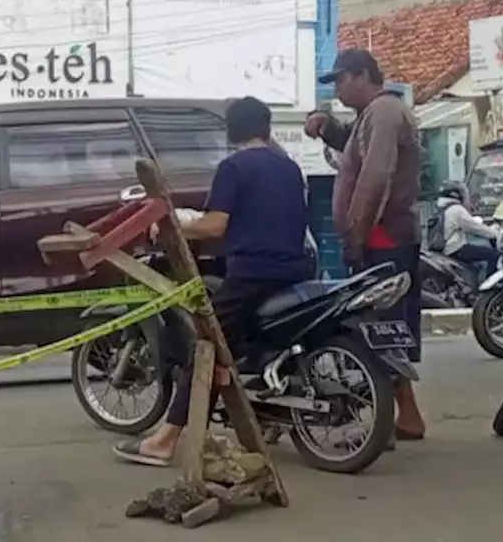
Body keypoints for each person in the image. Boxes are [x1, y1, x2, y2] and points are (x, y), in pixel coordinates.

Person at [112, 96, 312, 466]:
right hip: (297, 271)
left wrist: (179, 225)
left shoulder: (233, 168)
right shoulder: (289, 168)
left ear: (231, 131)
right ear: (266, 128)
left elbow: (216, 224)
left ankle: (164, 440)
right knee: (235, 347)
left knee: (206, 347)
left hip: (253, 276)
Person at [304, 49, 426, 441]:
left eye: (340, 80)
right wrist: (330, 128)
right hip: (382, 235)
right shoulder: (371, 117)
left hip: (382, 236)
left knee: (382, 328)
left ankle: (393, 420)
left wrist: (356, 234)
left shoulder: (386, 112)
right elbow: (358, 152)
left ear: (361, 76)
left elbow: (376, 177)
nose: (337, 90)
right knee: (382, 328)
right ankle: (403, 414)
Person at [438, 182, 499, 280]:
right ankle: (490, 288)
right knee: (494, 254)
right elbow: (476, 228)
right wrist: (498, 234)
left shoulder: (442, 208)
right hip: (455, 249)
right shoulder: (457, 210)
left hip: (443, 249)